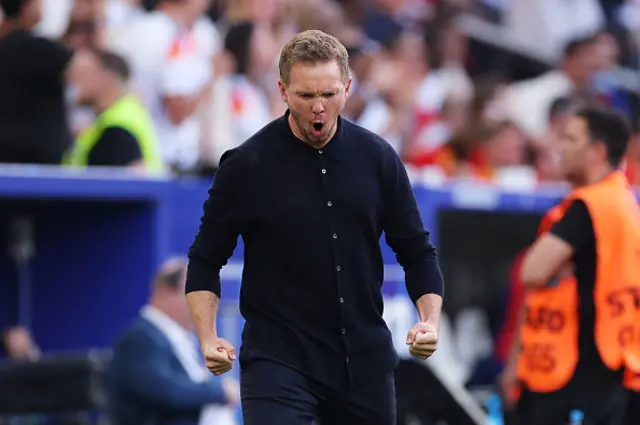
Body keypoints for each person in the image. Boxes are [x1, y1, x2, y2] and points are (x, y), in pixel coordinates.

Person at [185, 29, 445, 425]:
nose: (318, 107)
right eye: (306, 96)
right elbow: (205, 259)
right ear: (283, 91)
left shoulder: (378, 158)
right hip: (278, 361)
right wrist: (207, 338)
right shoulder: (245, 165)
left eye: (329, 94)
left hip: (364, 362)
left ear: (348, 87)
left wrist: (429, 321)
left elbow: (417, 251)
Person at [515, 107, 640, 425]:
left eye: (570, 139)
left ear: (597, 151)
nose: (560, 147)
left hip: (579, 371)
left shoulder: (589, 206)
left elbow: (531, 270)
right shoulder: (623, 200)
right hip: (614, 362)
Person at [104, 257, 237, 425]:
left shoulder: (176, 340)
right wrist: (219, 391)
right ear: (166, 290)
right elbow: (166, 390)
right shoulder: (141, 338)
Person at [0, 0, 91, 164]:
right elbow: (84, 71)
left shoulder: (12, 45)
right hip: (41, 162)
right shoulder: (40, 49)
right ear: (27, 8)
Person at [63, 48, 165, 174]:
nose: (73, 81)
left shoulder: (118, 129)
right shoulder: (120, 115)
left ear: (106, 79)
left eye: (84, 74)